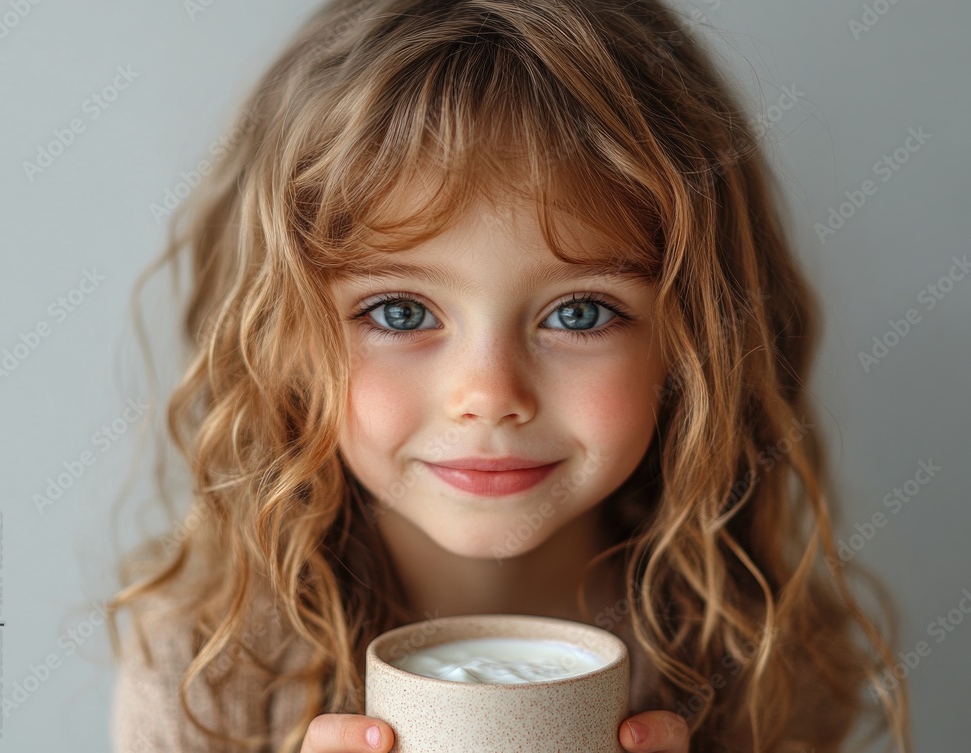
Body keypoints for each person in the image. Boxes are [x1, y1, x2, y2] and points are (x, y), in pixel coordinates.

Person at [107, 1, 912, 751]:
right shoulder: (206, 673)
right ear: (279, 338)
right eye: (398, 312)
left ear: (694, 342)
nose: (490, 394)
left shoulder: (762, 655)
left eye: (579, 314)